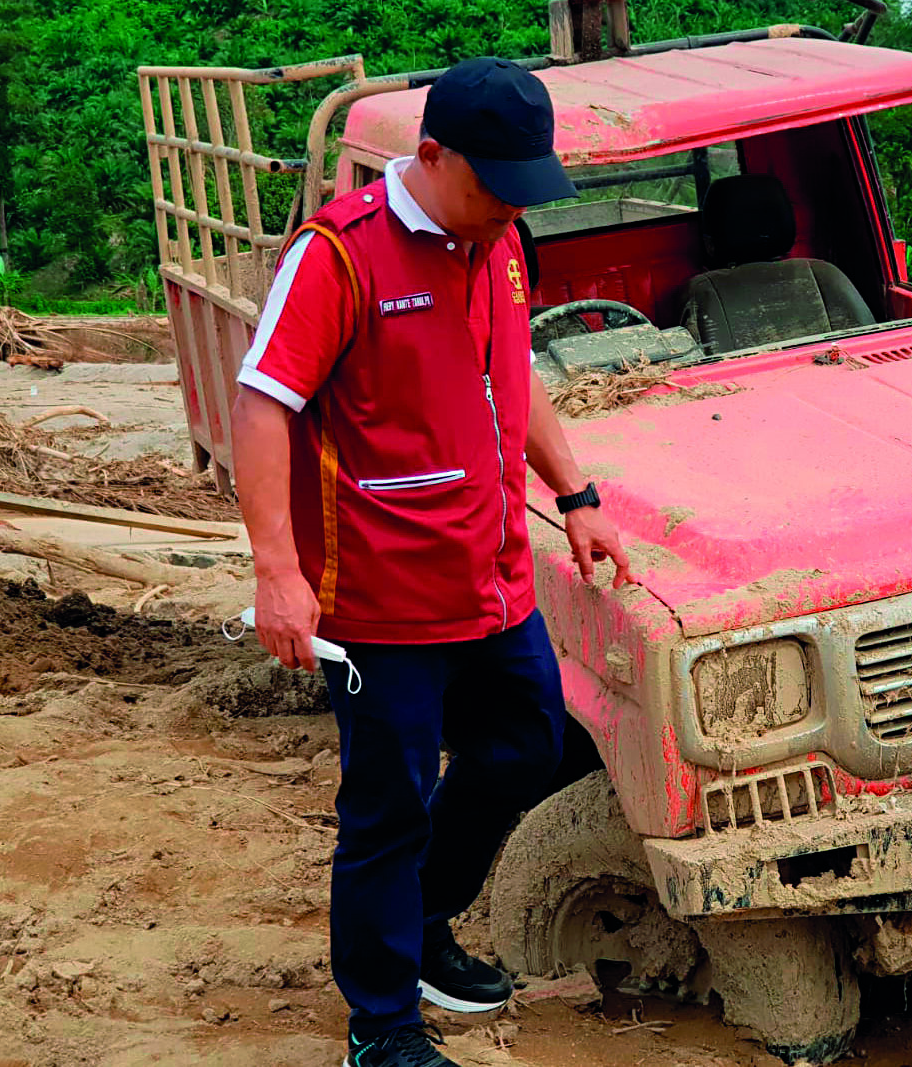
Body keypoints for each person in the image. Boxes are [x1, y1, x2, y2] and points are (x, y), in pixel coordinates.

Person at [230, 57, 635, 1067]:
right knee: (388, 805)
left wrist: (575, 494)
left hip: (492, 574)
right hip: (377, 599)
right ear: (430, 154)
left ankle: (419, 922)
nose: (508, 207)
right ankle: (381, 1026)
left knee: (528, 745)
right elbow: (263, 403)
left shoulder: (496, 244)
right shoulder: (340, 255)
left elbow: (515, 372)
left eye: (521, 189)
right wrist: (276, 571)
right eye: (492, 185)